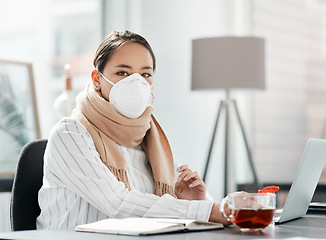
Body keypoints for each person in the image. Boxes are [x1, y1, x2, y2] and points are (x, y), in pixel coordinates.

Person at [36, 30, 230, 229]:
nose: (136, 83)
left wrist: (195, 202)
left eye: (145, 74)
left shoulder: (150, 136)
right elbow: (117, 203)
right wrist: (211, 211)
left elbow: (197, 210)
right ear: (97, 79)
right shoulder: (69, 133)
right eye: (122, 73)